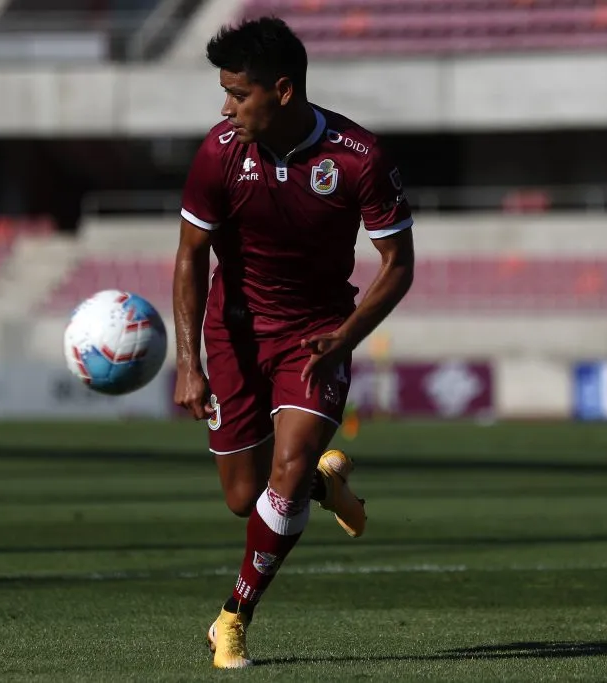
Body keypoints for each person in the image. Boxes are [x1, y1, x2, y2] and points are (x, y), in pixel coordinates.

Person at [172, 16, 416, 669]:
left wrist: (343, 338)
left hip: (316, 336)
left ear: (281, 90)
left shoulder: (358, 158)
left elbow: (398, 264)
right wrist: (189, 362)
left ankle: (233, 617)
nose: (226, 107)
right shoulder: (219, 151)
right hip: (234, 333)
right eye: (223, 92)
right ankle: (323, 481)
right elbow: (191, 257)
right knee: (240, 496)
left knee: (284, 472)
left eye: (237, 93)